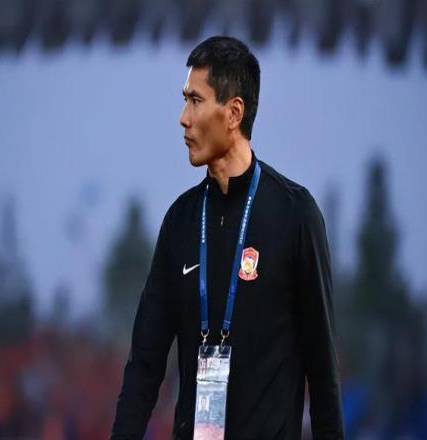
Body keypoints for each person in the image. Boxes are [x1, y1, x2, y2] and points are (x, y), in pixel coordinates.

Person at [111, 36, 344, 439]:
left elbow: (323, 372)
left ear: (234, 113)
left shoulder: (295, 215)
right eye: (184, 101)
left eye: (195, 101)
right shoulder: (180, 221)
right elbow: (144, 365)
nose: (183, 118)